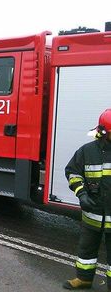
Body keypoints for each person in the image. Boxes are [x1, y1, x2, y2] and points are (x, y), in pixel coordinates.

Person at [63, 109, 111, 290]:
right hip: (93, 213)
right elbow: (73, 172)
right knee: (86, 249)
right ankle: (83, 279)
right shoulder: (86, 151)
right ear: (104, 133)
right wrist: (82, 193)